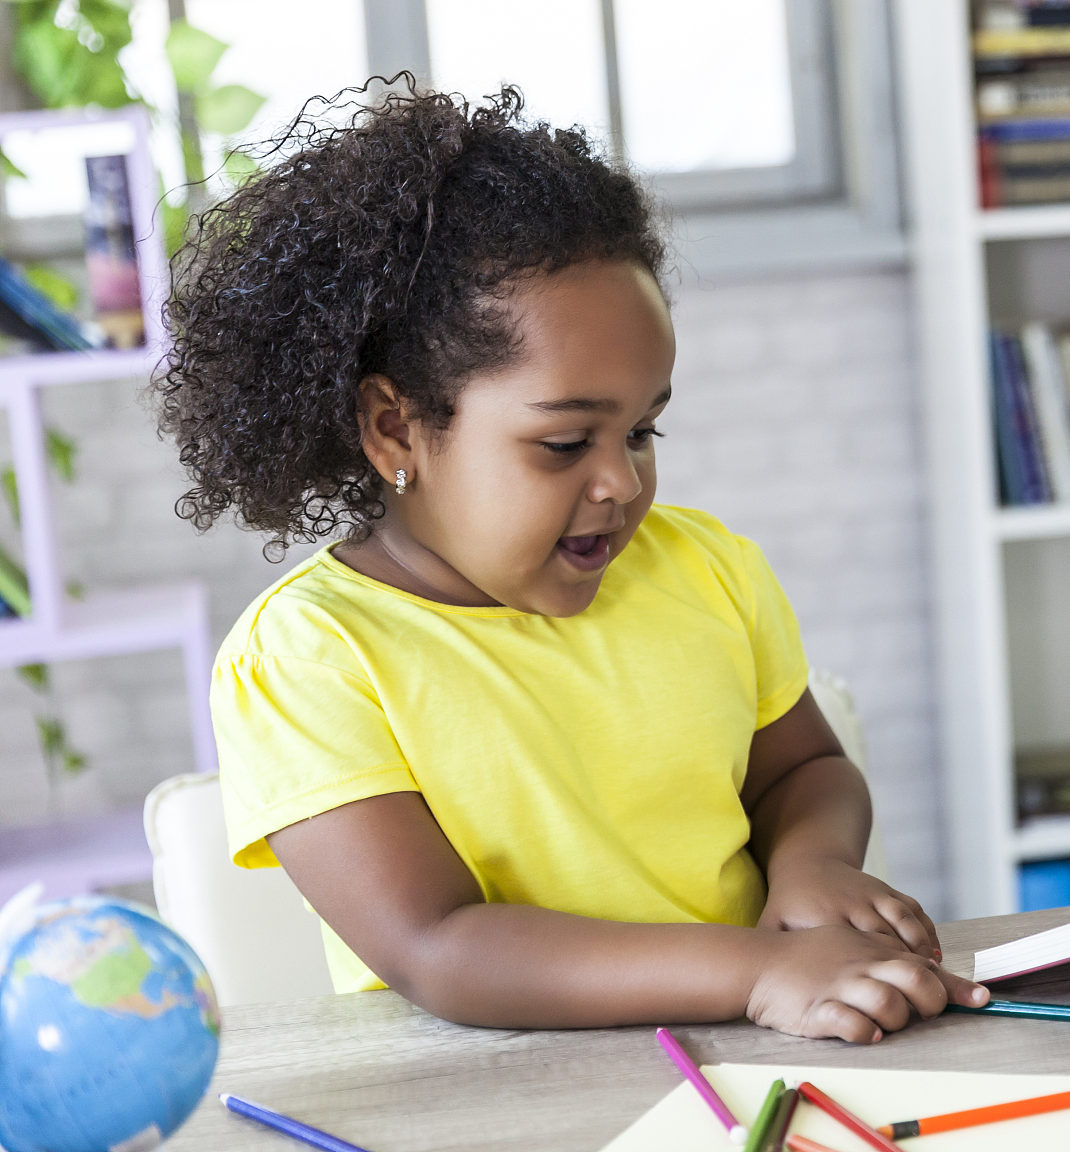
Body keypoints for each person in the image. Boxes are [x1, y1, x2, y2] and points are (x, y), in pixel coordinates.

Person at [156, 83, 984, 1037]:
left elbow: (806, 772)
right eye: (564, 444)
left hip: (761, 1049)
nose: (622, 483)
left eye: (643, 429)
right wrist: (758, 969)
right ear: (397, 428)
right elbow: (440, 947)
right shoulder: (309, 659)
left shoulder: (706, 568)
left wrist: (813, 865)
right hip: (501, 1102)